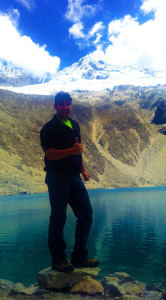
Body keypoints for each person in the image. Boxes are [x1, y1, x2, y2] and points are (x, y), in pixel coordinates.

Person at [40, 91, 99, 272]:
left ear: (70, 105)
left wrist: (83, 170)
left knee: (86, 214)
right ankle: (58, 260)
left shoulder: (74, 124)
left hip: (74, 177)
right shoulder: (49, 128)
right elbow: (50, 154)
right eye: (61, 104)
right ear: (55, 106)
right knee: (58, 218)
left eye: (68, 103)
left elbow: (78, 150)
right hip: (57, 178)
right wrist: (71, 151)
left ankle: (79, 257)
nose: (65, 107)